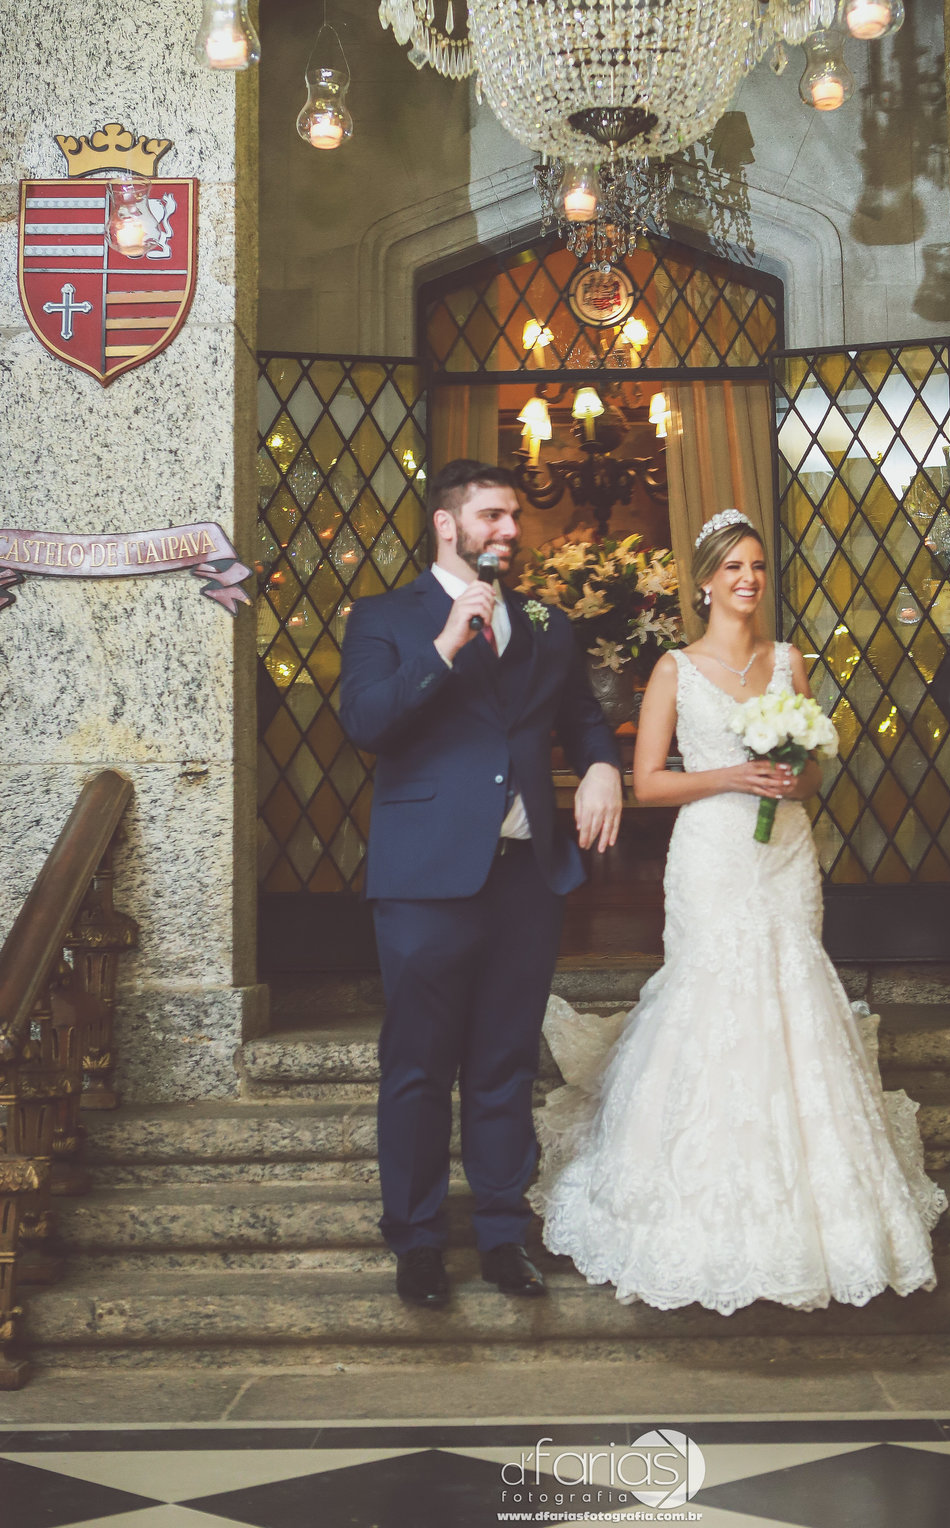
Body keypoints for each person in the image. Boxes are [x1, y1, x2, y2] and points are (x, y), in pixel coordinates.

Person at [533, 508, 946, 1315]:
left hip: (787, 852)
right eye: (732, 568)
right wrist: (731, 778)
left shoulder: (788, 661)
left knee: (794, 987)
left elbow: (813, 768)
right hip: (715, 854)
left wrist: (794, 779)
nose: (748, 580)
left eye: (756, 566)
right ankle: (704, 1203)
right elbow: (648, 782)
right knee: (719, 993)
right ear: (705, 582)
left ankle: (823, 1212)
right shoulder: (674, 671)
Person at [338, 460, 622, 1308]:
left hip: (525, 878)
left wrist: (603, 764)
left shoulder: (547, 622)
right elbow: (366, 723)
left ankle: (503, 1236)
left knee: (503, 1064)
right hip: (424, 878)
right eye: (492, 516)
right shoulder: (386, 618)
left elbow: (582, 718)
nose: (508, 530)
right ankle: (419, 1243)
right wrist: (444, 645)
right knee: (419, 1067)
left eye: (512, 519)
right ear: (446, 525)